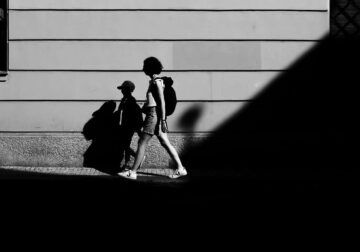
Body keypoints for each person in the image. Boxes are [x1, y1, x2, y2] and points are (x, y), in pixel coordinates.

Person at [118, 57, 187, 180]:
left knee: (142, 142)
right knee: (165, 142)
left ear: (149, 67)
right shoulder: (153, 81)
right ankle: (181, 169)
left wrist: (163, 120)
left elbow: (162, 102)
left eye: (144, 66)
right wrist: (143, 107)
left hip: (154, 115)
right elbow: (152, 102)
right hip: (154, 113)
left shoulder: (157, 82)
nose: (143, 68)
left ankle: (133, 172)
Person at [115, 80, 143, 170]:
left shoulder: (131, 100)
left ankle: (131, 160)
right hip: (123, 126)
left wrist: (137, 129)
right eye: (122, 89)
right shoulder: (124, 100)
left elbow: (133, 116)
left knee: (125, 145)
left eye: (123, 89)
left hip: (128, 127)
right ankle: (129, 161)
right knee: (124, 145)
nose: (122, 91)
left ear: (128, 90)